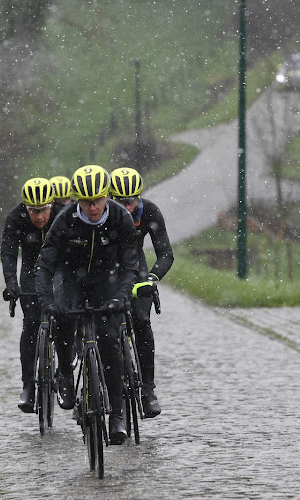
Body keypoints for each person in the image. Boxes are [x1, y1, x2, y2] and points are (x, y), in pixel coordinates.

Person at [35, 165, 138, 445]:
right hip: (71, 278)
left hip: (108, 280)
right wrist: (46, 300)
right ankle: (66, 374)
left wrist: (122, 295)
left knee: (109, 342)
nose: (93, 208)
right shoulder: (65, 220)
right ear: (77, 200)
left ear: (107, 197)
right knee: (64, 319)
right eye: (86, 202)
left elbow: (131, 265)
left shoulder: (119, 218)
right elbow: (45, 265)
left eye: (98, 201)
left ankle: (117, 413)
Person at [109, 167, 174, 418]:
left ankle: (148, 389)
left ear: (139, 197)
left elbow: (166, 253)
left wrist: (153, 278)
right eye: (119, 202)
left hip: (136, 270)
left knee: (142, 322)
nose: (126, 208)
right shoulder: (103, 215)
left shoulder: (150, 211)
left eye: (131, 202)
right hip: (108, 272)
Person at [0, 177, 65, 413]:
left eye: (44, 210)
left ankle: (64, 373)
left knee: (64, 321)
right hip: (30, 270)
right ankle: (28, 385)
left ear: (52, 205)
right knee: (30, 324)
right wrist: (11, 283)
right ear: (25, 207)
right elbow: (8, 253)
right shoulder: (16, 217)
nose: (39, 217)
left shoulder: (62, 214)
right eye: (33, 211)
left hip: (58, 270)